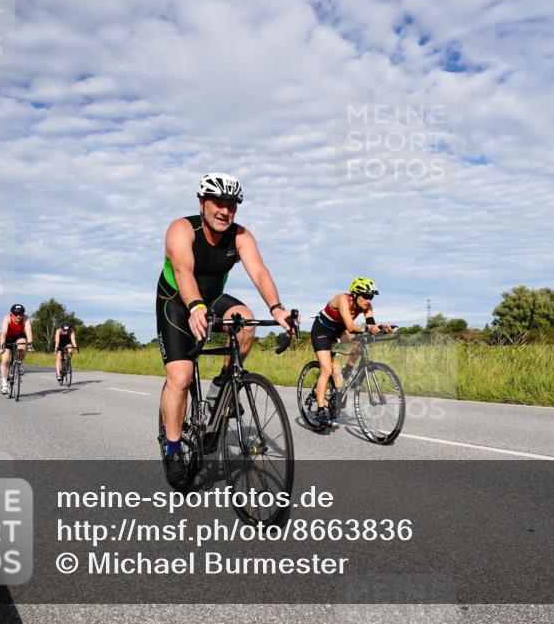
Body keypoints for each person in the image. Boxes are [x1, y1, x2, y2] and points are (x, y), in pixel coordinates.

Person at [156, 173, 296, 487]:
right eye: (218, 203)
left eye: (231, 204)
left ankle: (222, 386)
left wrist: (276, 308)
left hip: (213, 297)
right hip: (176, 302)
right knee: (180, 375)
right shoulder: (181, 228)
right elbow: (183, 270)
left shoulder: (241, 235)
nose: (225, 210)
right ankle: (174, 447)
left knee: (245, 322)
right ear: (202, 203)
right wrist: (195, 306)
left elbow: (259, 271)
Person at [309, 277, 394, 430]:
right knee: (327, 370)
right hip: (321, 332)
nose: (369, 300)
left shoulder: (367, 306)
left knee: (359, 344)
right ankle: (320, 411)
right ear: (355, 294)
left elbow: (370, 326)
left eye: (371, 297)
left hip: (339, 331)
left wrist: (381, 328)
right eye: (366, 296)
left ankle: (346, 373)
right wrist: (369, 329)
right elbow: (350, 325)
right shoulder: (343, 299)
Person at [0, 304, 33, 394]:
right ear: (12, 314)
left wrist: (30, 344)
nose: (19, 316)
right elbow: (3, 333)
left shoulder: (25, 318)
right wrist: (2, 346)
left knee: (22, 345)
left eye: (21, 314)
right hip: (8, 337)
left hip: (19, 336)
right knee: (5, 360)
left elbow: (28, 330)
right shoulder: (7, 318)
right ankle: (4, 384)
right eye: (16, 314)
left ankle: (19, 363)